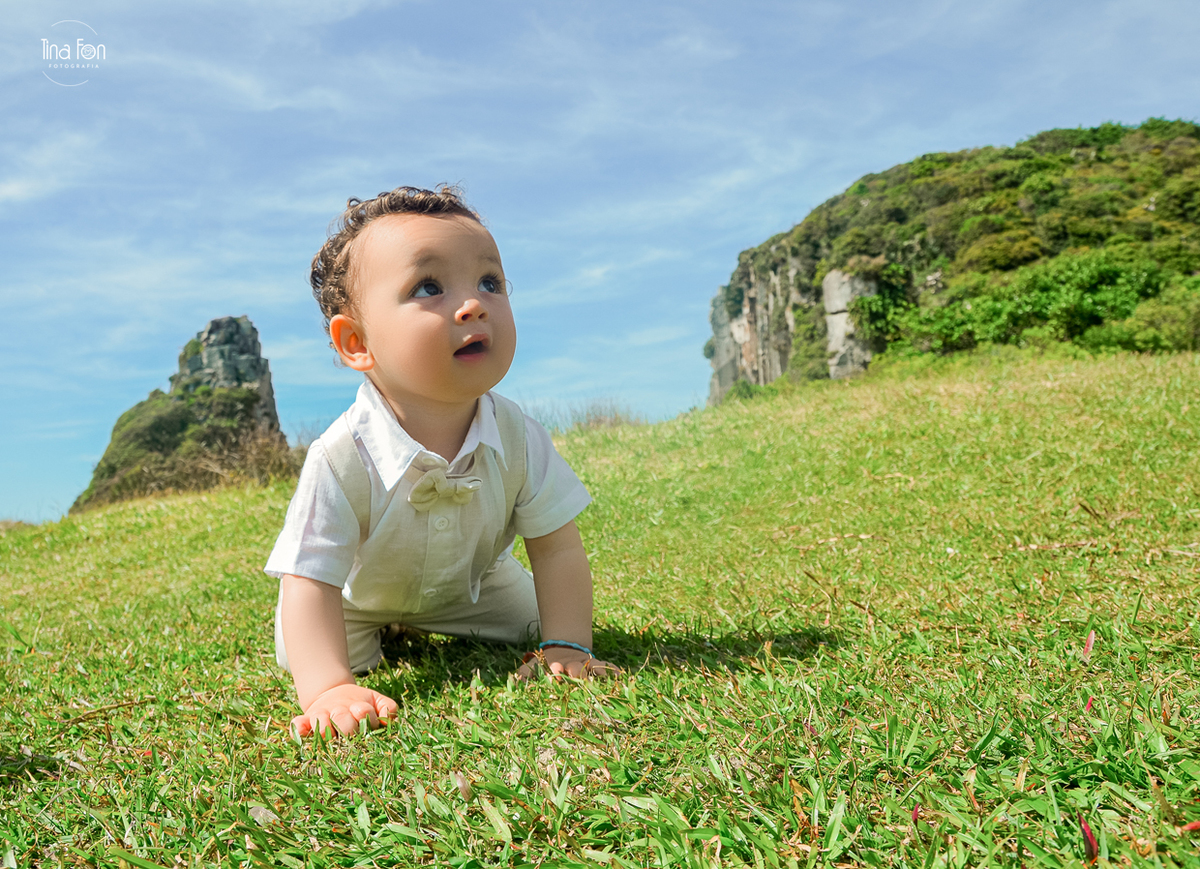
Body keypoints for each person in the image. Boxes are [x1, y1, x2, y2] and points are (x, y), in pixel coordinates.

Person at [265, 185, 616, 739]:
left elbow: (557, 546)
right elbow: (308, 579)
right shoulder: (339, 455)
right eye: (428, 286)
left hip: (474, 588)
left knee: (538, 625)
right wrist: (328, 687)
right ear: (356, 342)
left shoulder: (518, 436)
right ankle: (368, 645)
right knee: (302, 648)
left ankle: (491, 630)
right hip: (357, 601)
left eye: (489, 282)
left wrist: (568, 644)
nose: (473, 303)